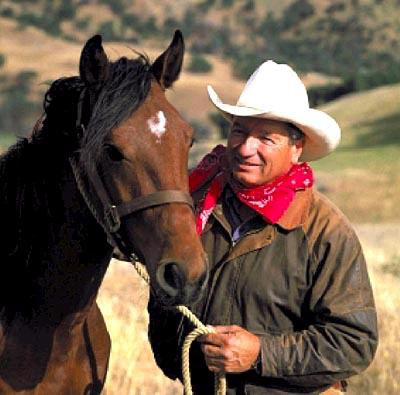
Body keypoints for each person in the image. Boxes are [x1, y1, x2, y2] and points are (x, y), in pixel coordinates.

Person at [147, 60, 378, 394]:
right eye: (239, 131)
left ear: (296, 149)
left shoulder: (324, 231)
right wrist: (191, 351)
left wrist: (260, 354)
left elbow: (354, 343)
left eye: (266, 138)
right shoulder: (192, 209)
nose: (245, 148)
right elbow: (164, 306)